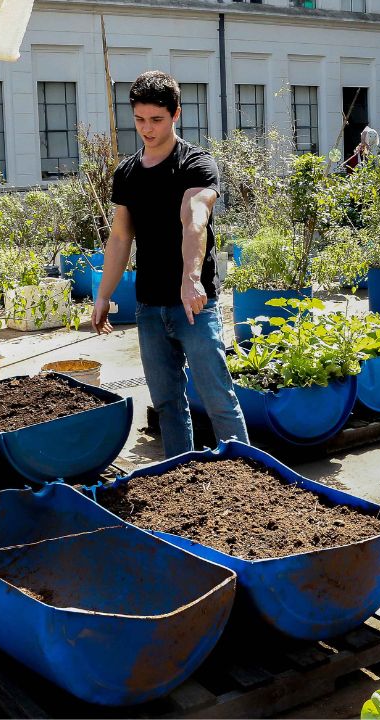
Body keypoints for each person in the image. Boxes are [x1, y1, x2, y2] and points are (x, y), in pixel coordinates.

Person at [92, 70, 248, 457]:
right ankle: (180, 478)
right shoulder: (126, 173)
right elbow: (119, 237)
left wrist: (190, 279)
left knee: (218, 401)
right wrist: (102, 295)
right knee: (167, 405)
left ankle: (249, 476)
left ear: (175, 113)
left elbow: (194, 218)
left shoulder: (195, 163)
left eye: (156, 119)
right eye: (140, 119)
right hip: (148, 307)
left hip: (194, 305)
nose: (147, 128)